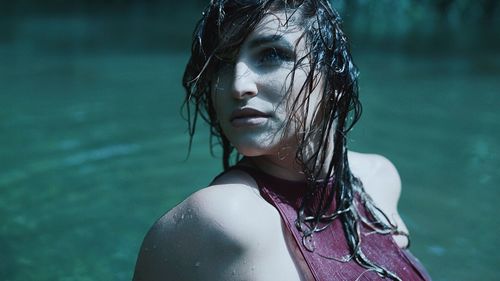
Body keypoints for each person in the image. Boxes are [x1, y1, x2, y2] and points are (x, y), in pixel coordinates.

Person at [133, 0, 432, 280]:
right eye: (222, 63)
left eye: (271, 54)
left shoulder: (378, 178)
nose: (238, 85)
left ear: (332, 77)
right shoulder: (223, 218)